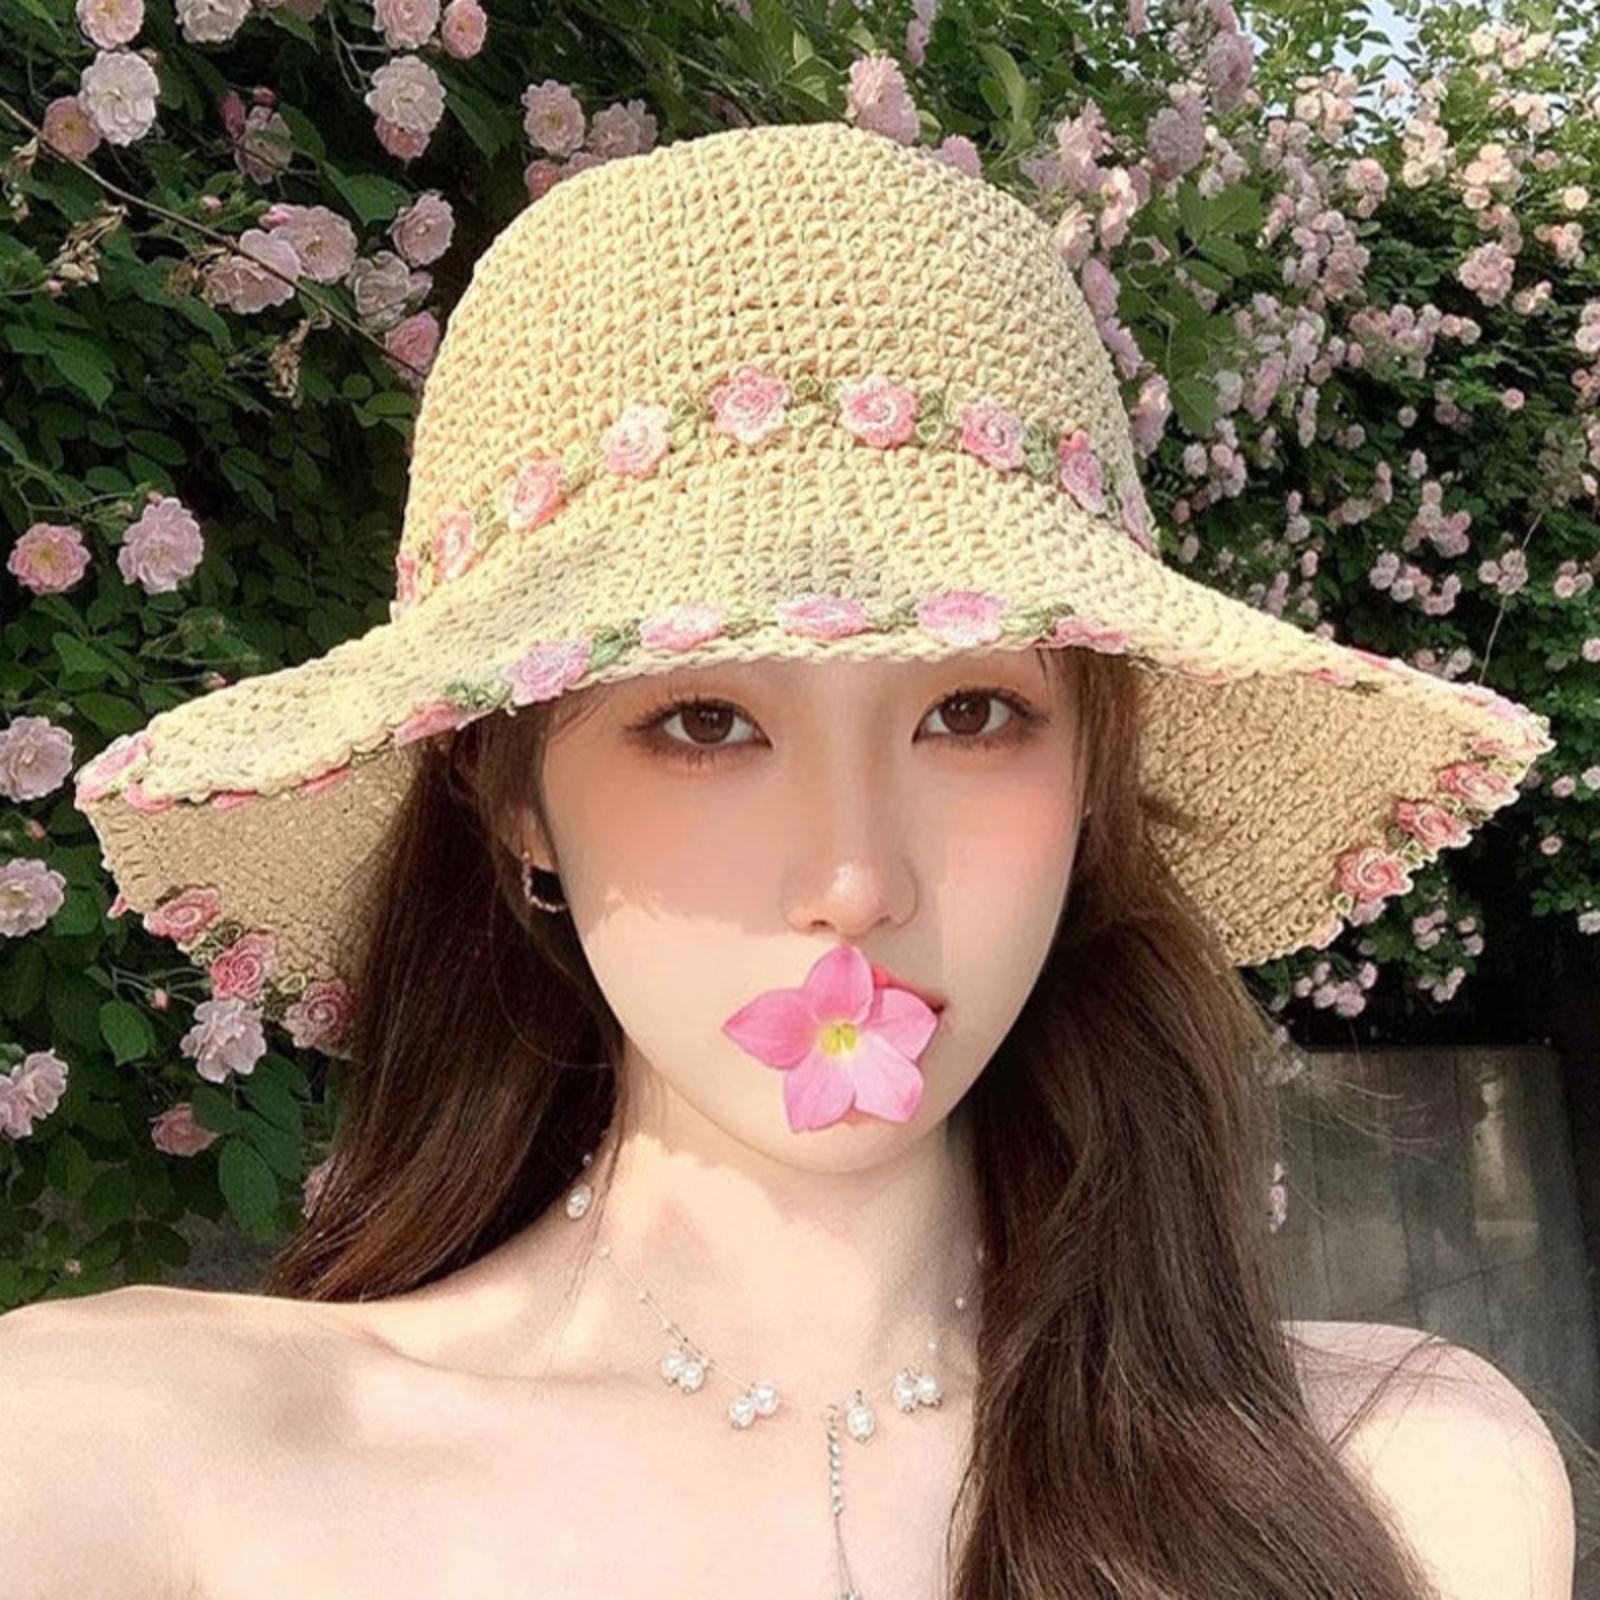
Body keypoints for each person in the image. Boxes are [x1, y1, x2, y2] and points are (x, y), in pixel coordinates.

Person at [7, 120, 1573, 1599]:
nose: (855, 881)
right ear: (514, 797)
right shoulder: (122, 1464)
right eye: (704, 723)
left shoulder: (1411, 1479)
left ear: (1096, 771)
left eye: (972, 713)